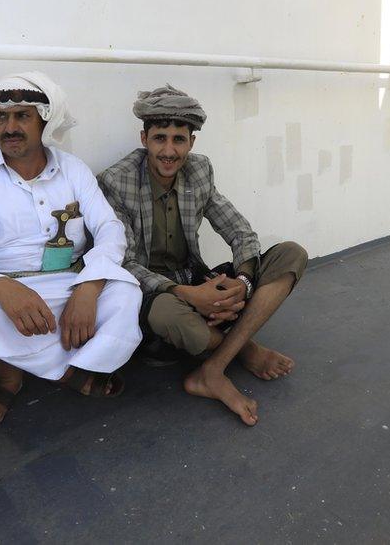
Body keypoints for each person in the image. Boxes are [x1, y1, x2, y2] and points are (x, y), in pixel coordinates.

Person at [0, 72, 142, 442]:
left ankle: (20, 368)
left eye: (22, 116)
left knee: (126, 293)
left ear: (45, 122)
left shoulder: (74, 169)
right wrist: (1, 288)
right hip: (6, 293)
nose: (10, 127)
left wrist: (89, 286)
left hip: (72, 281)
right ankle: (51, 373)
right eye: (1, 117)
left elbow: (111, 230)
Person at [97, 85, 308, 427]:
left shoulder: (200, 171)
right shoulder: (115, 181)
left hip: (197, 279)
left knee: (290, 255)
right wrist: (188, 295)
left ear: (191, 143)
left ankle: (212, 369)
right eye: (159, 138)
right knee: (169, 314)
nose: (169, 150)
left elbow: (240, 232)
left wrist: (241, 281)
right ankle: (245, 349)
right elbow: (122, 261)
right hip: (154, 294)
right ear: (143, 138)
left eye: (178, 140)